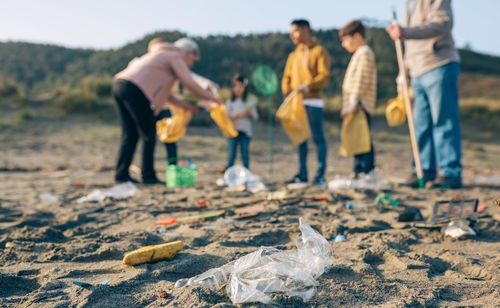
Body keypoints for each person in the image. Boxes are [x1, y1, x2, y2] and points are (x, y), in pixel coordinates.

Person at [113, 37, 223, 184]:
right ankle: (148, 176)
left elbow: (167, 95)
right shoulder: (176, 56)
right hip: (135, 90)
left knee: (130, 134)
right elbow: (189, 82)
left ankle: (121, 174)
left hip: (120, 85)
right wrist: (213, 99)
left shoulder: (162, 55)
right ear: (187, 53)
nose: (192, 62)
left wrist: (185, 106)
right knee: (148, 134)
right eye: (193, 58)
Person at [386, 0, 462, 189]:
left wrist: (406, 32)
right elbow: (408, 46)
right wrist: (403, 72)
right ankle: (423, 170)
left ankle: (450, 173)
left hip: (438, 64)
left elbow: (443, 23)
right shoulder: (409, 4)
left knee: (443, 120)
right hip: (417, 70)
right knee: (421, 124)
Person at [281, 19, 331, 187]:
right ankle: (302, 175)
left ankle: (320, 175)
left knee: (318, 138)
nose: (292, 35)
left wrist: (308, 86)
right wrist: (287, 93)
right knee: (300, 139)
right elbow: (287, 78)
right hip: (297, 104)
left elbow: (324, 76)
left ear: (305, 30)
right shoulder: (293, 55)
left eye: (295, 31)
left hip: (313, 102)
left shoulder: (319, 51)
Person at [339, 20, 377, 179]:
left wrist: (354, 102)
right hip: (354, 105)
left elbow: (361, 79)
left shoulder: (365, 52)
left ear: (357, 36)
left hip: (360, 105)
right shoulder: (358, 54)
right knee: (356, 139)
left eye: (346, 40)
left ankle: (368, 172)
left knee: (363, 140)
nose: (344, 45)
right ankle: (357, 171)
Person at [223, 74, 259, 171]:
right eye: (236, 86)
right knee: (231, 154)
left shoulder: (249, 100)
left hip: (246, 131)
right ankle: (229, 172)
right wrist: (236, 115)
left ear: (245, 88)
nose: (238, 89)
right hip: (233, 131)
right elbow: (227, 115)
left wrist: (249, 112)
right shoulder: (230, 101)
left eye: (240, 86)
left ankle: (246, 173)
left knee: (245, 154)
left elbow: (255, 116)